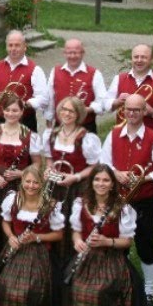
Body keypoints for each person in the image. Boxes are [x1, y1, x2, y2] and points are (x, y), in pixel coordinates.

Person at [100, 93, 153, 306]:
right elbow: (103, 162)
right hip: (118, 201)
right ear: (122, 111)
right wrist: (115, 173)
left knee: (145, 244)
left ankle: (149, 291)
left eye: (137, 110)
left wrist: (145, 178)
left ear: (144, 112)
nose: (132, 113)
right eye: (128, 109)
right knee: (117, 245)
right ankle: (118, 285)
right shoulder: (113, 135)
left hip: (144, 201)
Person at [0, 164, 65, 306]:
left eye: (35, 182)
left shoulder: (50, 205)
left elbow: (59, 235)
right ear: (22, 181)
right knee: (5, 286)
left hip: (39, 252)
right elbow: (5, 223)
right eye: (27, 181)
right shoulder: (13, 199)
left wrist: (36, 237)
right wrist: (10, 237)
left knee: (29, 291)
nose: (31, 186)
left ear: (42, 184)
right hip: (16, 248)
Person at [68, 164, 138, 306]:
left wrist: (107, 241)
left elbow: (128, 241)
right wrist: (77, 240)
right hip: (86, 257)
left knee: (99, 291)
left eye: (106, 180)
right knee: (76, 287)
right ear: (91, 182)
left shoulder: (122, 208)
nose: (101, 183)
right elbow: (76, 230)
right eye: (97, 179)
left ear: (113, 184)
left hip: (111, 258)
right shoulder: (80, 203)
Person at [43, 96, 102, 278]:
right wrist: (48, 170)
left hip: (76, 187)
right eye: (63, 110)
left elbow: (94, 165)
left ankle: (73, 266)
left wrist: (74, 177)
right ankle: (53, 265)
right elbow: (49, 158)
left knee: (72, 223)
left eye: (71, 111)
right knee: (52, 223)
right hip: (55, 185)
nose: (66, 114)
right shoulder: (51, 134)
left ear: (78, 114)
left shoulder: (86, 138)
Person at [0, 95, 41, 207]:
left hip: (22, 182)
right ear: (3, 111)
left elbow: (37, 163)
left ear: (21, 112)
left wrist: (22, 174)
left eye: (15, 110)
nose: (10, 114)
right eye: (7, 110)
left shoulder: (30, 135)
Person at [0, 30, 51, 129]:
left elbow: (44, 98)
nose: (13, 49)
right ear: (6, 47)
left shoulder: (35, 70)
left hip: (24, 122)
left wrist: (27, 103)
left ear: (25, 47)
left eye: (17, 45)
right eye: (10, 45)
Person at [106, 44, 153, 133]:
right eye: (136, 57)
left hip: (149, 137)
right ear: (131, 59)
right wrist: (117, 102)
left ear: (152, 60)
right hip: (121, 135)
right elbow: (105, 104)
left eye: (144, 57)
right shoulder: (118, 79)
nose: (139, 60)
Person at [51, 39, 106, 133]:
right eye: (69, 53)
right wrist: (49, 123)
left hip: (85, 126)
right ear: (64, 53)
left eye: (76, 53)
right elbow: (50, 99)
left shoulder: (95, 74)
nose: (72, 56)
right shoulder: (55, 71)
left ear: (83, 53)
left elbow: (102, 101)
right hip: (61, 125)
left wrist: (86, 110)